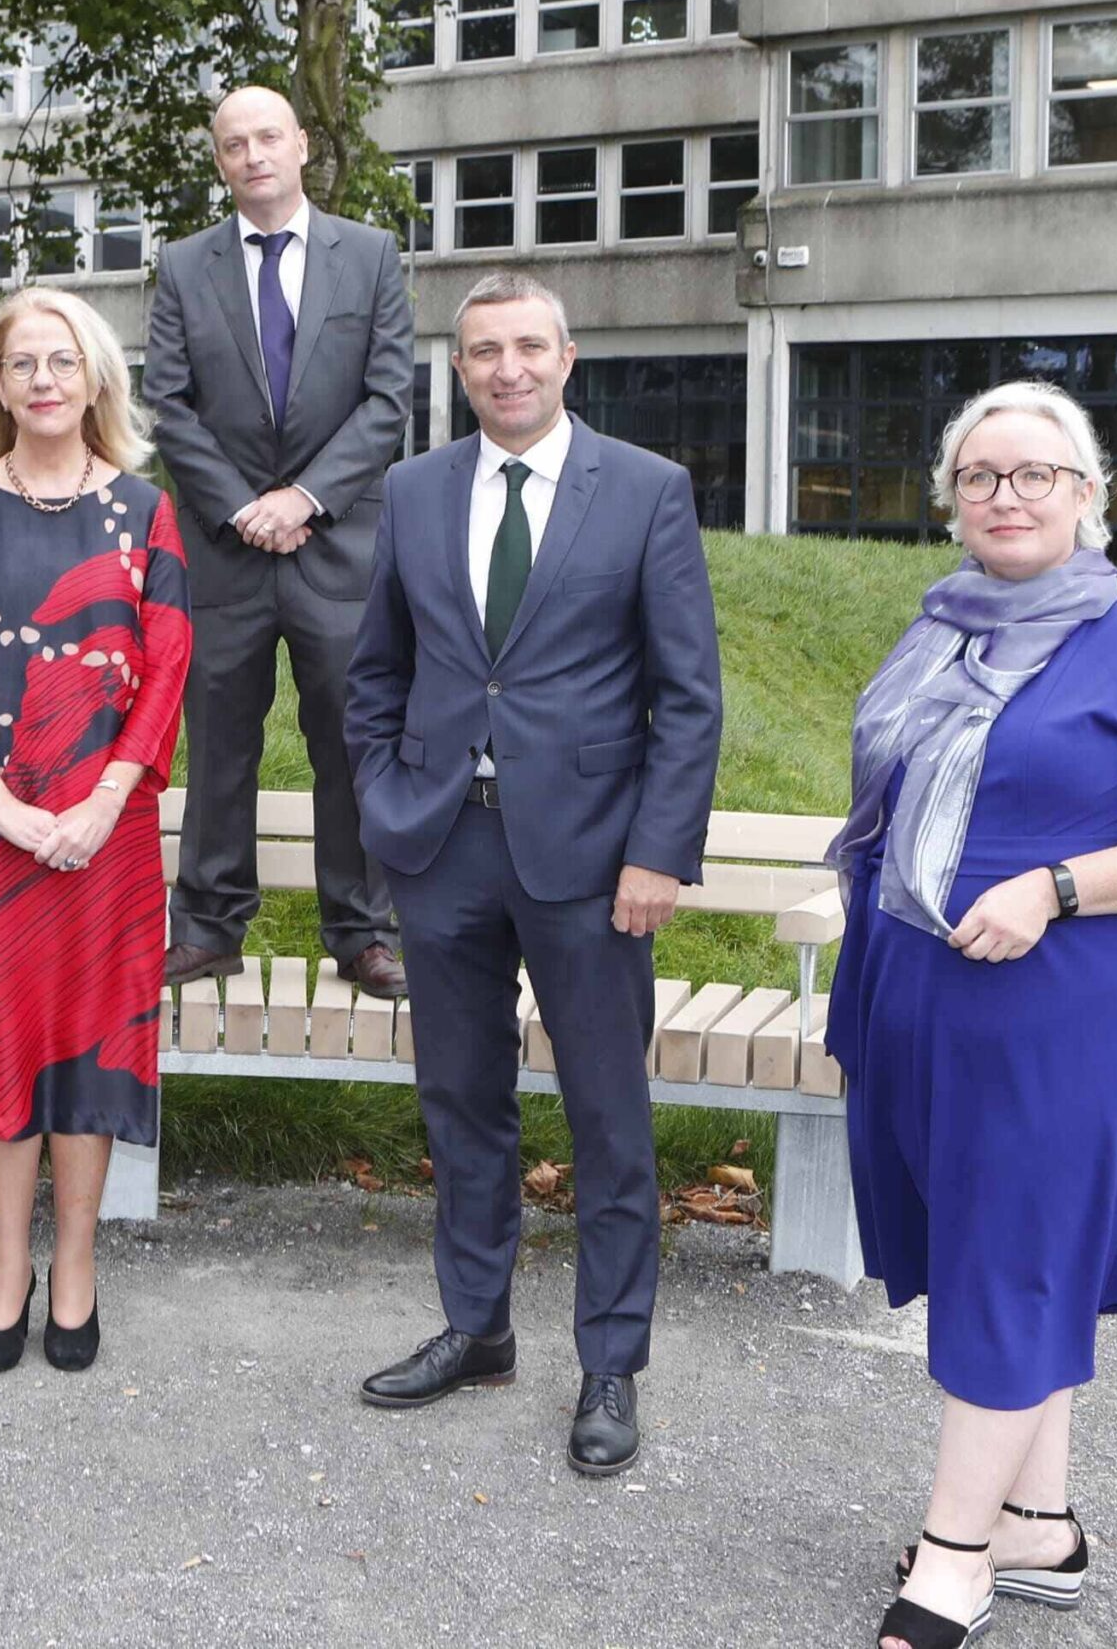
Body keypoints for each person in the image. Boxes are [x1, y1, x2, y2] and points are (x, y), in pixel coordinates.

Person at [825, 381, 1117, 1649]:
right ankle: (1038, 1521)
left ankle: (954, 1559)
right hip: (931, 993)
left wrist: (1054, 888)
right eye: (982, 475)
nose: (1008, 495)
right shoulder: (935, 629)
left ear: (1088, 496)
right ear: (952, 498)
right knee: (1005, 1254)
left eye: (1036, 473)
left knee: (1011, 1262)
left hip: (1070, 1009)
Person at [344, 274, 722, 1477]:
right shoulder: (412, 489)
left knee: (608, 1115)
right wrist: (385, 794)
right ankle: (478, 1327)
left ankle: (609, 1359)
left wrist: (658, 852)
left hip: (593, 857)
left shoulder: (647, 490)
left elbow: (686, 694)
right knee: (461, 1101)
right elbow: (375, 673)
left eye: (525, 347)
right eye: (480, 352)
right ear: (458, 371)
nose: (504, 368)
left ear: (567, 356)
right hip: (443, 842)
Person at [0, 288, 192, 1375]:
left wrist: (104, 801)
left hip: (106, 832)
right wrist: (4, 806)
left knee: (92, 1048)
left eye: (60, 361)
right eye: (21, 363)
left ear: (94, 379)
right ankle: (4, 1266)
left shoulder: (145, 512)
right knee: (4, 1046)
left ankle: (76, 1262)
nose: (41, 380)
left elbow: (164, 669)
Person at [143, 84, 415, 999]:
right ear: (219, 161)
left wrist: (302, 498)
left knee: (349, 739)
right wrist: (240, 506)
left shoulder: (372, 257)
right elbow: (170, 407)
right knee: (221, 742)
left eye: (268, 137)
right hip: (225, 552)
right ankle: (210, 926)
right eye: (233, 143)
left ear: (301, 144)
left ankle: (364, 933)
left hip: (339, 550)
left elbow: (387, 403)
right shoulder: (182, 268)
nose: (253, 154)